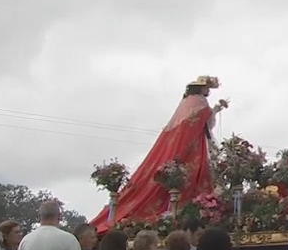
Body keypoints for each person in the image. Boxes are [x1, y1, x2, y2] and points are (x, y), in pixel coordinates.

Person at [90, 76, 226, 232]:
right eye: (206, 87)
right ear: (199, 88)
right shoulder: (197, 101)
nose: (207, 90)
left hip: (195, 143)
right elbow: (204, 121)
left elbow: (205, 123)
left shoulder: (189, 101)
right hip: (192, 146)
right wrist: (215, 109)